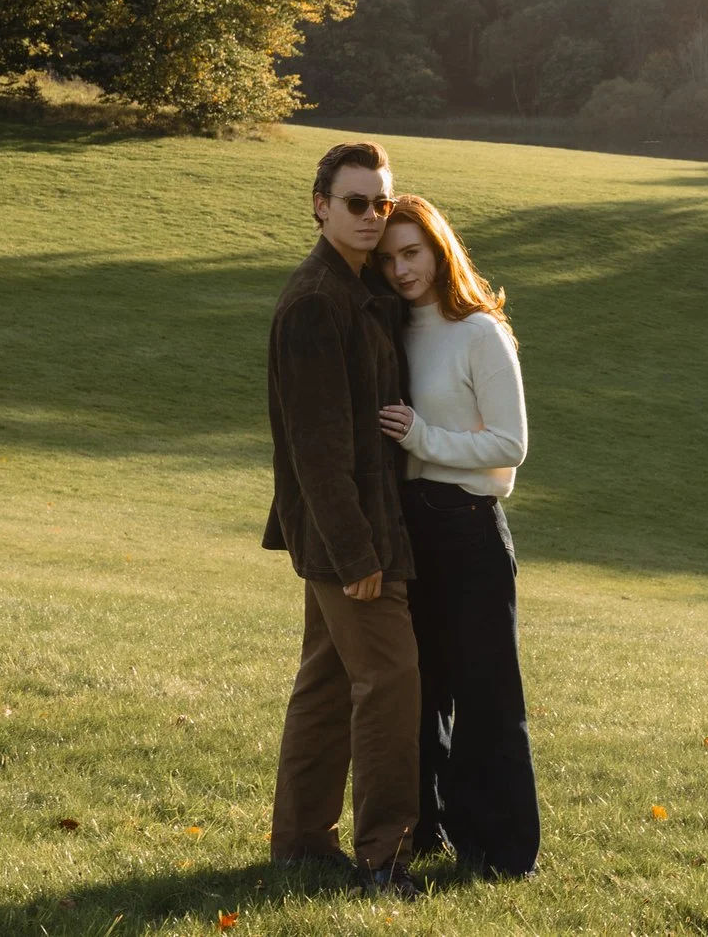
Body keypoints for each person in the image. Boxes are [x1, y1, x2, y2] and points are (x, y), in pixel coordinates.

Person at [263, 140, 422, 897]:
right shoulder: (316, 302)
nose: (371, 216)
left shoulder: (362, 291)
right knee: (390, 680)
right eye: (356, 202)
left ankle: (298, 843)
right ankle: (382, 861)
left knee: (327, 682)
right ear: (321, 204)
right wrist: (359, 554)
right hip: (349, 539)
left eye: (381, 202)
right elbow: (316, 449)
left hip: (350, 530)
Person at [374, 194, 541, 879]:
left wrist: (423, 437)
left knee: (487, 696)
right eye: (387, 258)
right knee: (421, 691)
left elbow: (512, 444)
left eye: (411, 251)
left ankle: (503, 853)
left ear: (439, 248)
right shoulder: (393, 327)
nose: (400, 268)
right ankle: (426, 832)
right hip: (411, 526)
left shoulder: (479, 332)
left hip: (469, 531)